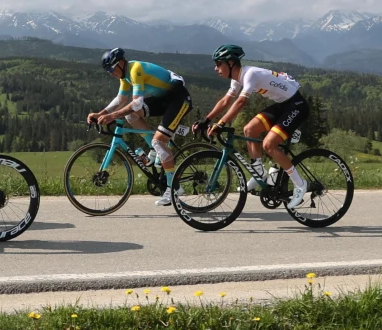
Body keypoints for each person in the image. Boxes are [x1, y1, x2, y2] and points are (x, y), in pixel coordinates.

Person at [192, 44, 309, 209]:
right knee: (249, 129)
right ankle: (259, 172)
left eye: (219, 64)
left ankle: (300, 184)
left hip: (296, 105)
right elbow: (226, 100)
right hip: (282, 104)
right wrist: (206, 120)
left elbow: (241, 102)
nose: (215, 68)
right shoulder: (237, 78)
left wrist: (221, 123)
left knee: (269, 144)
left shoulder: (250, 74)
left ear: (231, 63)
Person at [86, 47, 192, 206]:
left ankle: (174, 188)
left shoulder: (135, 70)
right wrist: (100, 113)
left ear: (121, 63)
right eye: (108, 70)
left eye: (111, 68)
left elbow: (136, 103)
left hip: (179, 100)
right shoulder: (125, 76)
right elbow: (121, 99)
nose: (110, 73)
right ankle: (154, 149)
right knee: (130, 115)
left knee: (159, 141)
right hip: (164, 100)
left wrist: (111, 116)